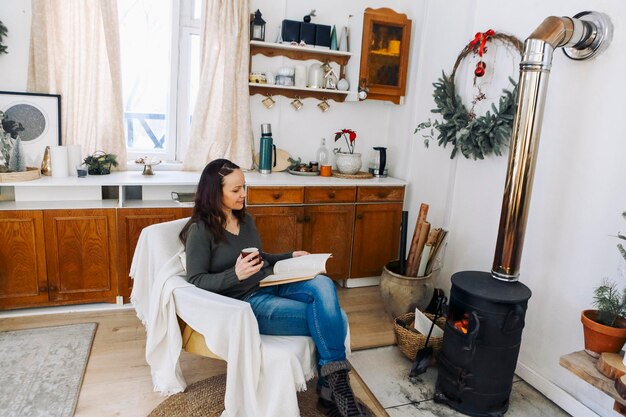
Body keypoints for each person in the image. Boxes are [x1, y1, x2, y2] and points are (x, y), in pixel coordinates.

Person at [180, 159, 368, 417]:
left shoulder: (245, 221)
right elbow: (197, 281)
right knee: (339, 318)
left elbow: (261, 257)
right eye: (235, 190)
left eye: (244, 187)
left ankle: (332, 390)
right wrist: (234, 275)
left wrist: (289, 256)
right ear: (214, 192)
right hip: (249, 302)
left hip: (271, 282)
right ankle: (334, 391)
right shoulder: (199, 231)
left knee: (323, 283)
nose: (243, 194)